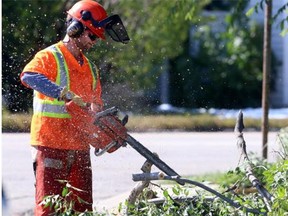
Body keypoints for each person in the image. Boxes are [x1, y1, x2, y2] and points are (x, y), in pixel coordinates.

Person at [20, 0, 129, 215]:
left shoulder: (90, 68)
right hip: (50, 145)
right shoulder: (49, 56)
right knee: (49, 210)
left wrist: (106, 130)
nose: (94, 41)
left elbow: (95, 108)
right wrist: (62, 93)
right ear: (75, 28)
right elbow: (28, 76)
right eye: (92, 35)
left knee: (82, 209)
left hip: (79, 148)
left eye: (97, 37)